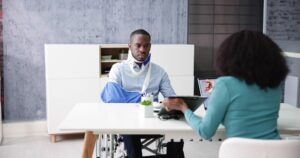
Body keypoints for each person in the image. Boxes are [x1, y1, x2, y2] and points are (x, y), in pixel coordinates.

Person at [163, 30, 289, 140]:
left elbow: (205, 131)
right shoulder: (274, 86)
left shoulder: (225, 84)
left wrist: (183, 107)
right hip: (275, 152)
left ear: (232, 56)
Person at [101, 29, 176, 158]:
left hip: (152, 121)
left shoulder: (159, 72)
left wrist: (173, 104)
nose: (142, 49)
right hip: (125, 122)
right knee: (129, 128)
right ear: (129, 46)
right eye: (138, 45)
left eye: (146, 45)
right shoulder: (118, 69)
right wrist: (144, 100)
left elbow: (172, 99)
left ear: (150, 47)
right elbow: (111, 97)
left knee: (176, 137)